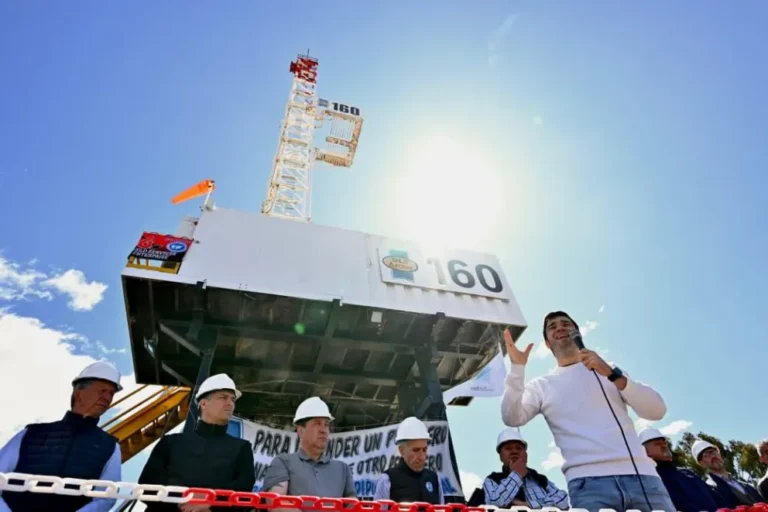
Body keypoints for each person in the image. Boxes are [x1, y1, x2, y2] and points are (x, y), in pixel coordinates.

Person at [500, 311, 675, 512]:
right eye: (552, 327)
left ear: (578, 333)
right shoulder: (542, 386)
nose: (560, 328)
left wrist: (611, 374)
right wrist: (517, 369)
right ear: (547, 343)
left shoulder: (609, 370)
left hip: (643, 478)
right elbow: (512, 417)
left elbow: (656, 411)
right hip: (588, 484)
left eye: (566, 324)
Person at [0, 361, 123, 512]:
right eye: (102, 391)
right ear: (79, 393)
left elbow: (106, 497)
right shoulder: (31, 434)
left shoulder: (110, 446)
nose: (107, 398)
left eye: (111, 393)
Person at [138, 373, 255, 512]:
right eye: (223, 397)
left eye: (232, 399)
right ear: (203, 403)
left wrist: (210, 504)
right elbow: (147, 485)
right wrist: (184, 502)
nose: (230, 403)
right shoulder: (170, 443)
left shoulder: (242, 448)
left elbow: (244, 490)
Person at [262, 396, 355, 499]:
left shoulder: (343, 469)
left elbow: (352, 505)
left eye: (326, 424)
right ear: (301, 431)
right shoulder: (283, 462)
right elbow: (276, 503)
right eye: (317, 424)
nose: (323, 430)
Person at [480, 428, 569, 509]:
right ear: (501, 456)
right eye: (508, 448)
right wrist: (517, 474)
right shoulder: (493, 480)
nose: (514, 451)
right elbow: (493, 503)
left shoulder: (540, 479)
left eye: (519, 448)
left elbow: (563, 501)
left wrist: (527, 504)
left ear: (526, 455)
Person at [638, 427, 723, 511]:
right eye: (658, 444)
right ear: (645, 451)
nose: (664, 446)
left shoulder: (687, 472)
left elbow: (716, 498)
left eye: (665, 443)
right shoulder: (653, 480)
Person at [373, 417, 442, 504]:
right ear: (402, 451)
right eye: (416, 450)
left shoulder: (434, 478)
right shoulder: (387, 480)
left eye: (424, 450)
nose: (422, 457)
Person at [692, 439, 763, 506]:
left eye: (713, 452)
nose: (713, 456)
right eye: (706, 455)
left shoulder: (747, 486)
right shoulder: (710, 491)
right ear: (702, 463)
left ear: (720, 454)